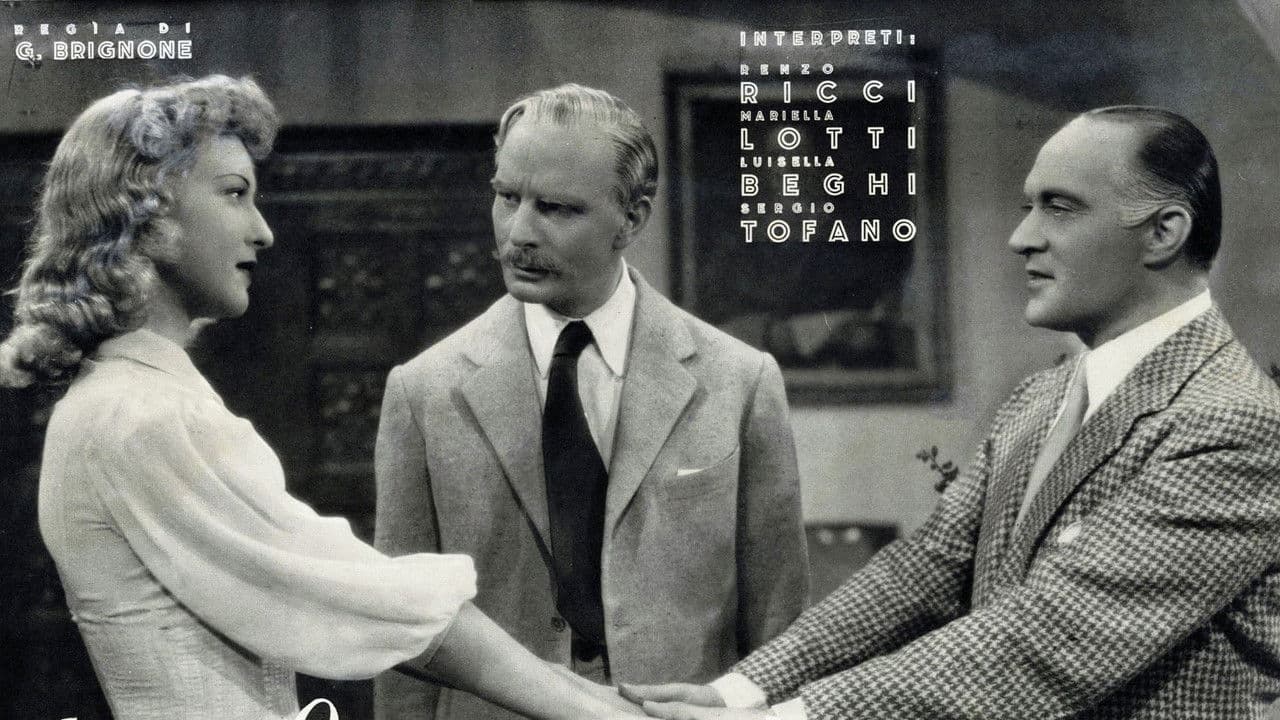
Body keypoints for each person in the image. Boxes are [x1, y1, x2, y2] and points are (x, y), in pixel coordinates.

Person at [0, 74, 642, 720]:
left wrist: (604, 701)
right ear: (149, 214)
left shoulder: (121, 399)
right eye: (235, 194)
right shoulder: (141, 415)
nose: (262, 231)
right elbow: (369, 602)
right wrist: (607, 715)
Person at [622, 107, 1280, 718]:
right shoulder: (1040, 398)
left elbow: (1051, 638)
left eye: (1059, 208)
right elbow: (923, 571)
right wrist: (736, 692)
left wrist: (791, 716)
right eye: (1028, 207)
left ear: (1164, 233)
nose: (1021, 238)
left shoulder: (1234, 421)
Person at [374, 83, 809, 720]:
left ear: (631, 218)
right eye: (507, 197)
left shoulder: (740, 382)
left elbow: (781, 635)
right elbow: (403, 637)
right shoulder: (422, 391)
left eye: (555, 208)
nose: (519, 232)